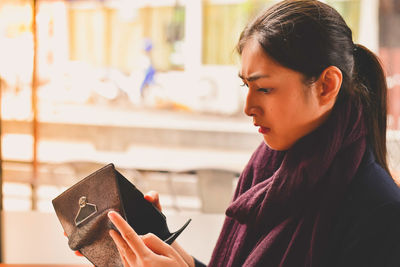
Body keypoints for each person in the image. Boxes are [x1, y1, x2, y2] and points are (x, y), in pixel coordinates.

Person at [105, 0, 400, 266]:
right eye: (247, 86)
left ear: (326, 86)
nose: (248, 107)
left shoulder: (379, 213)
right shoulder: (266, 170)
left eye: (265, 89)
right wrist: (162, 245)